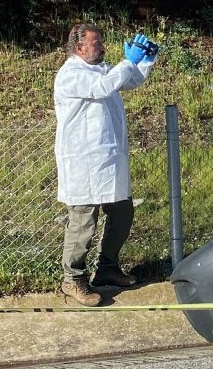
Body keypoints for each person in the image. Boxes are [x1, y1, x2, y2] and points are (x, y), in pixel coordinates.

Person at [53, 24, 159, 305]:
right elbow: (103, 88)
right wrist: (128, 61)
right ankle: (73, 279)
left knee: (122, 212)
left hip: (108, 160)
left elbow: (127, 80)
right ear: (79, 48)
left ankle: (107, 269)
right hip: (82, 161)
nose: (102, 47)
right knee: (83, 222)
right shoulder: (71, 74)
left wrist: (145, 60)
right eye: (96, 43)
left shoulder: (99, 69)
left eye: (101, 42)